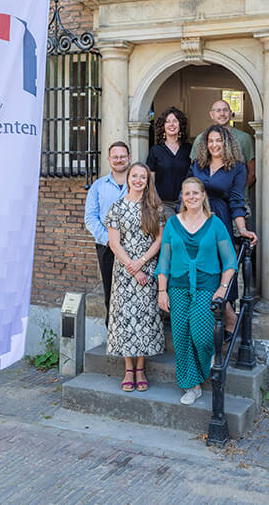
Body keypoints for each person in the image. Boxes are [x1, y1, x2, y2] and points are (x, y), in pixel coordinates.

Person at [156, 177, 238, 405]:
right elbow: (164, 259)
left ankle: (205, 363)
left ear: (203, 196)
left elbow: (230, 260)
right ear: (182, 197)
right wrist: (162, 290)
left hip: (206, 287)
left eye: (195, 193)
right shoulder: (173, 224)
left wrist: (223, 288)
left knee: (201, 336)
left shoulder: (215, 224)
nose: (191, 197)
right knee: (181, 337)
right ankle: (191, 386)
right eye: (187, 193)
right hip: (178, 287)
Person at [190, 124, 258, 338]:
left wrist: (242, 229)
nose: (214, 144)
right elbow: (186, 191)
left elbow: (237, 201)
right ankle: (217, 318)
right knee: (199, 270)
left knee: (219, 269)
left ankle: (229, 317)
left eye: (218, 140)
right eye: (210, 141)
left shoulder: (237, 167)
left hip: (220, 220)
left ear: (226, 142)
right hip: (195, 219)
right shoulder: (198, 165)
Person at [105, 162, 166, 391]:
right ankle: (128, 369)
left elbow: (159, 240)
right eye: (134, 176)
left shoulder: (155, 208)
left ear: (147, 181)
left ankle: (141, 368)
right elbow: (114, 243)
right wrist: (132, 267)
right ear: (128, 178)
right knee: (125, 320)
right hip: (124, 272)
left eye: (143, 177)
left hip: (148, 269)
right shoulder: (117, 207)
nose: (138, 180)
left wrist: (142, 263)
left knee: (144, 319)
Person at [84, 141, 130, 317]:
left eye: (122, 156)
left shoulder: (140, 182)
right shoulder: (98, 186)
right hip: (107, 247)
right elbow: (90, 218)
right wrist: (110, 240)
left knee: (135, 292)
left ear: (129, 158)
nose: (119, 160)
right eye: (115, 157)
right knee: (111, 292)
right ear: (109, 159)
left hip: (135, 247)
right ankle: (112, 338)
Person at [190, 98, 256, 201]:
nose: (222, 114)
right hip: (207, 203)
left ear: (230, 113)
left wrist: (235, 192)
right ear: (211, 115)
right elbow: (194, 172)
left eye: (225, 110)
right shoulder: (201, 139)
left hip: (238, 202)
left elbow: (252, 173)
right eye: (218, 110)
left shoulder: (244, 138)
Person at [146, 107, 191, 220]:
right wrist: (155, 202)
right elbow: (151, 180)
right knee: (173, 231)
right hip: (164, 203)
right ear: (163, 127)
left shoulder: (188, 149)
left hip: (186, 202)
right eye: (168, 121)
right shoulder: (155, 150)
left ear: (180, 125)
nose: (172, 124)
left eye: (175, 121)